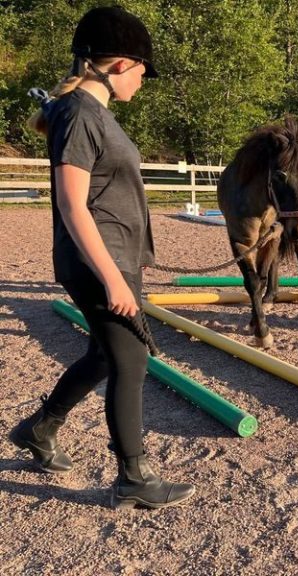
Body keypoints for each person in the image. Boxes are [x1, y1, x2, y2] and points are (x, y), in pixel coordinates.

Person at [9, 7, 195, 509]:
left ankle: (39, 429)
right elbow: (73, 205)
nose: (142, 81)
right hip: (97, 262)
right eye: (142, 72)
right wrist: (112, 277)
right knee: (131, 360)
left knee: (103, 355)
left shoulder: (90, 114)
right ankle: (133, 476)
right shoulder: (79, 115)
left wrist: (129, 261)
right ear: (119, 65)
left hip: (113, 258)